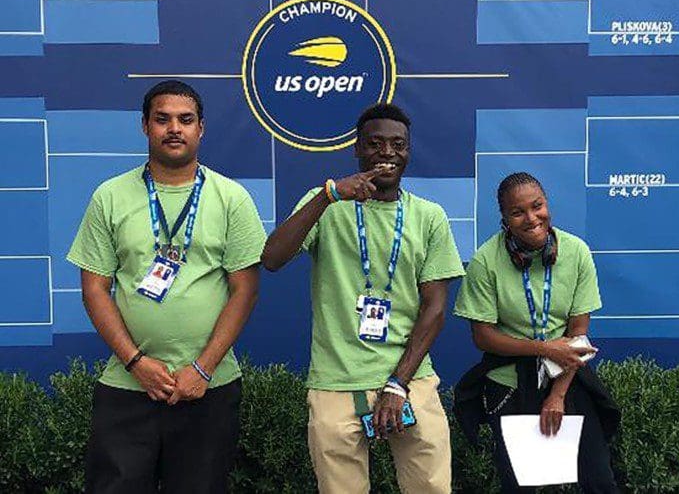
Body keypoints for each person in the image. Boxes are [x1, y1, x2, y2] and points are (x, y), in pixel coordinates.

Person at [68, 80, 267, 493]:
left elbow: (244, 290)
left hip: (207, 387)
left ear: (201, 129)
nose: (174, 128)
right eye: (162, 119)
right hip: (127, 385)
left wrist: (202, 368)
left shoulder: (232, 197)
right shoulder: (110, 196)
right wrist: (136, 362)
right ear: (145, 127)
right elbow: (93, 289)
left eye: (185, 119)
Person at [262, 103, 465, 493]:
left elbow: (435, 309)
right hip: (336, 382)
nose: (387, 153)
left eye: (398, 145)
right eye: (375, 144)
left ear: (408, 151)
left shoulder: (429, 216)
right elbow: (272, 258)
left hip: (411, 380)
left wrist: (396, 384)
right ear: (357, 149)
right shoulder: (325, 203)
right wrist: (329, 196)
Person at [453, 172, 620, 493]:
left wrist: (557, 396)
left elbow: (578, 334)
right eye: (518, 212)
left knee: (599, 481)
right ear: (504, 219)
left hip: (565, 377)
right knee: (520, 487)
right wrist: (544, 348)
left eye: (537, 206)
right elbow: (483, 337)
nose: (532, 218)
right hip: (510, 384)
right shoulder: (486, 261)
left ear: (547, 205)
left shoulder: (576, 252)